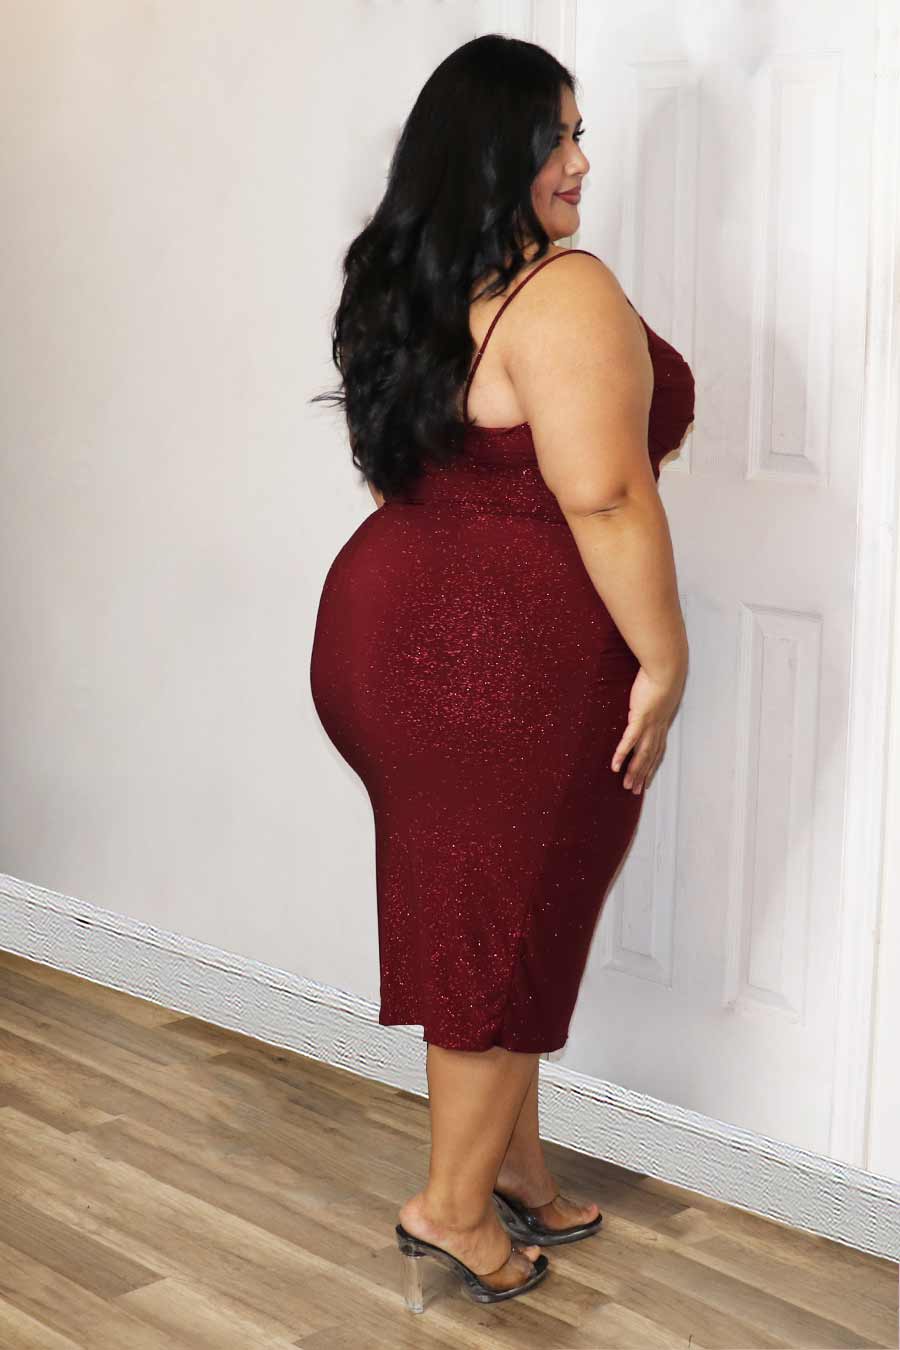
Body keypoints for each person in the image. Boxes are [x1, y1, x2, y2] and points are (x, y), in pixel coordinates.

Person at [309, 34, 694, 1311]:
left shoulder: (422, 288)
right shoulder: (563, 293)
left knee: (511, 909)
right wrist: (664, 653)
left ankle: (514, 1165)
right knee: (499, 922)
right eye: (557, 136)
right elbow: (606, 495)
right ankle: (453, 1208)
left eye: (582, 134)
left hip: (391, 637)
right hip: (495, 666)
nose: (581, 161)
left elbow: (413, 472)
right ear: (493, 151)